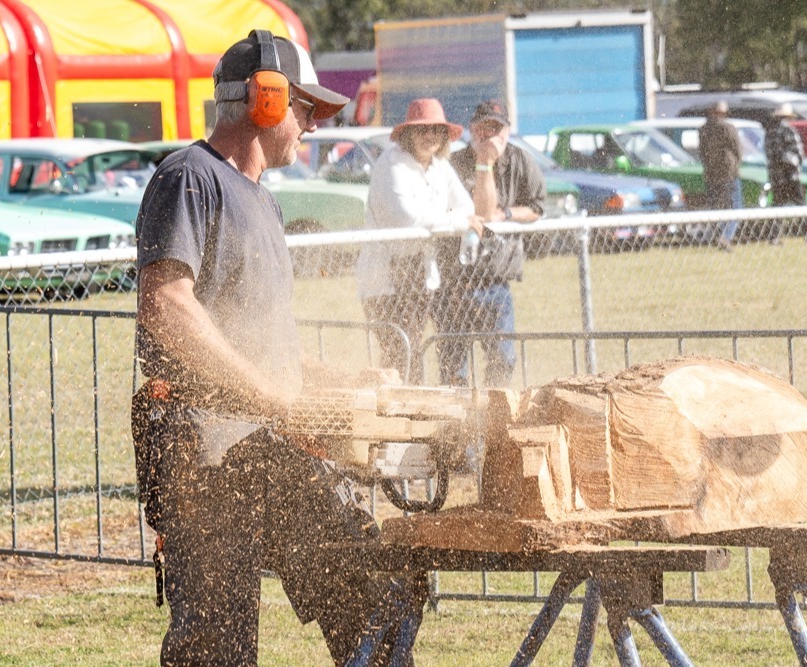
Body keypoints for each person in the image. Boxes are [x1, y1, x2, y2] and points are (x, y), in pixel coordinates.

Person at [131, 30, 423, 666]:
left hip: (263, 442)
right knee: (217, 644)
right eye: (304, 108)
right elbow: (166, 304)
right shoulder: (189, 178)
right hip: (202, 451)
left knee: (371, 592)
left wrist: (337, 379)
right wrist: (267, 394)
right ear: (265, 100)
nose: (312, 125)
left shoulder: (262, 201)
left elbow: (265, 345)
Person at [354, 98, 482, 384]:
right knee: (401, 354)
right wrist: (456, 223)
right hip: (383, 281)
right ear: (408, 133)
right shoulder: (391, 164)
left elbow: (467, 207)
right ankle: (396, 407)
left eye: (436, 130)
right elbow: (408, 217)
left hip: (419, 275)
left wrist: (451, 219)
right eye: (423, 129)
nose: (430, 136)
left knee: (410, 353)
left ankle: (407, 405)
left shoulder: (440, 166)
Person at [434, 100, 546, 387]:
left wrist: (507, 214)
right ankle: (457, 412)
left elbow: (537, 207)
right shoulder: (455, 163)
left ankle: (495, 408)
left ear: (507, 131)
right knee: (454, 365)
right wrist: (484, 163)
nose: (489, 135)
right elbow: (480, 213)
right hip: (455, 280)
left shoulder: (520, 160)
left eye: (496, 128)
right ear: (472, 129)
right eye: (483, 128)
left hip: (495, 278)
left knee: (503, 358)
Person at [698, 100, 743, 252]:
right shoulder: (728, 128)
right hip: (728, 173)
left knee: (716, 207)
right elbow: (737, 150)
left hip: (711, 174)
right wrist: (736, 165)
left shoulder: (703, 130)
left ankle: (717, 235)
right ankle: (726, 236)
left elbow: (702, 153)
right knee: (735, 207)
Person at [763, 102, 805, 244]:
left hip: (776, 176)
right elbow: (797, 152)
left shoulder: (769, 132)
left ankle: (774, 236)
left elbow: (769, 154)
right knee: (800, 204)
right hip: (791, 175)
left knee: (778, 205)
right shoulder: (788, 130)